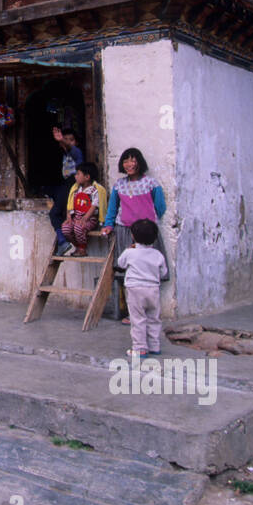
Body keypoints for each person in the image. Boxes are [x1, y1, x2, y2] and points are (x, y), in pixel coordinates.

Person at [102, 148, 169, 322]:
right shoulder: (119, 185)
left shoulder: (151, 184)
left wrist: (149, 226)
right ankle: (133, 313)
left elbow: (160, 207)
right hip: (124, 231)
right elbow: (112, 208)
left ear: (139, 162)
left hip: (146, 233)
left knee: (148, 270)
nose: (129, 164)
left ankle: (150, 312)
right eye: (126, 161)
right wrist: (109, 225)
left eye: (133, 160)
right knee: (130, 272)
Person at [116, 218, 167, 360]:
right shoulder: (158, 255)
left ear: (133, 236)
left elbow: (121, 263)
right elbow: (163, 273)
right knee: (153, 318)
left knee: (137, 319)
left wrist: (130, 249)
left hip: (135, 289)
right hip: (153, 289)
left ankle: (140, 348)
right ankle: (154, 346)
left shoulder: (129, 252)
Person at [49, 126, 86, 256]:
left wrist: (62, 140)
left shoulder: (77, 153)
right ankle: (62, 241)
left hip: (73, 184)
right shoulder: (64, 156)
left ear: (76, 142)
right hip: (66, 184)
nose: (68, 142)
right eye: (66, 140)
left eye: (71, 140)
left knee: (54, 213)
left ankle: (63, 241)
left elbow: (71, 149)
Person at [61, 162, 106, 254]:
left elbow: (94, 205)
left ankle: (82, 248)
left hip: (89, 219)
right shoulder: (76, 189)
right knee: (65, 229)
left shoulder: (94, 190)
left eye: (78, 174)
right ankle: (77, 246)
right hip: (76, 217)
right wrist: (69, 216)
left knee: (78, 227)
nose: (75, 176)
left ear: (87, 177)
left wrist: (85, 218)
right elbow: (70, 203)